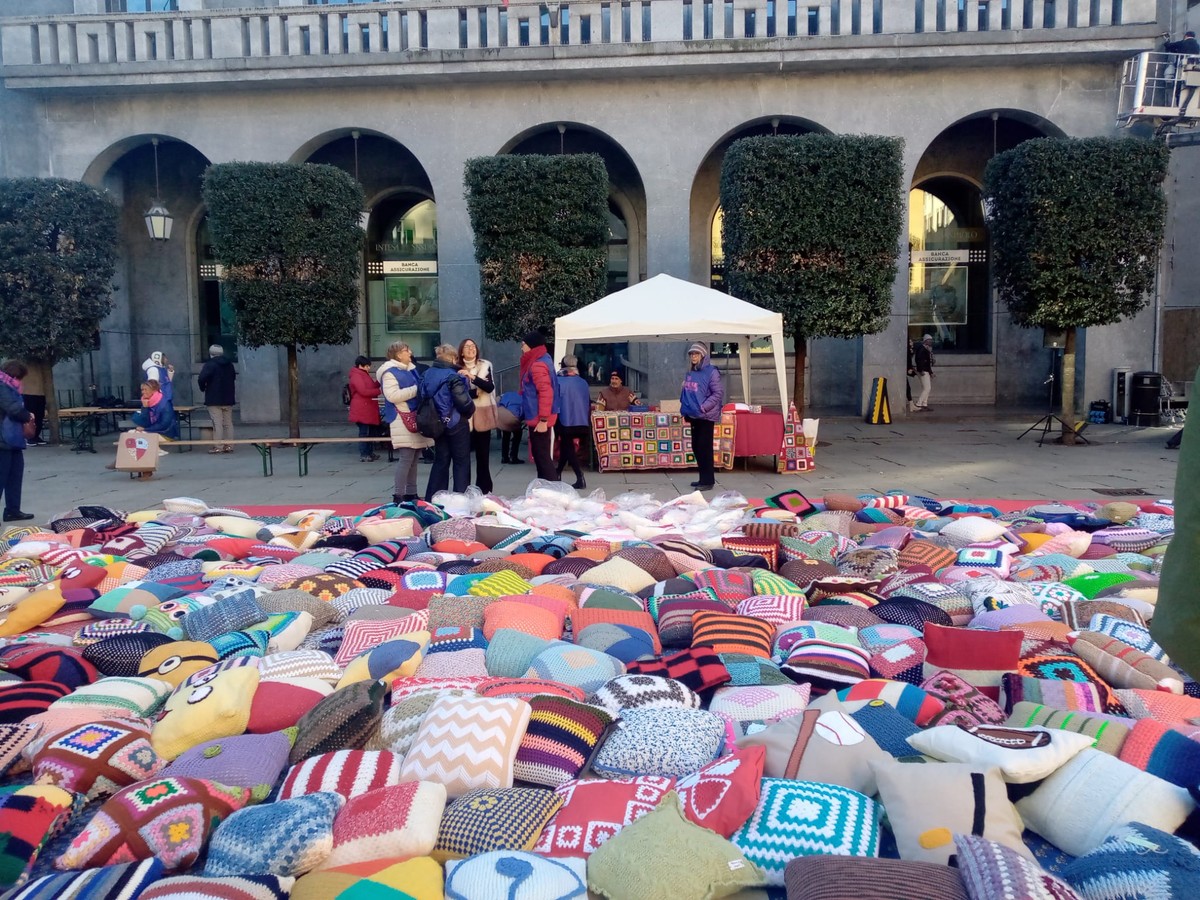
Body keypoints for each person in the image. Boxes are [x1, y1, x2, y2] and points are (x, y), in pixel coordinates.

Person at [377, 341, 432, 504]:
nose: (410, 352)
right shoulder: (389, 372)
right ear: (398, 354)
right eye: (407, 350)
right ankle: (399, 495)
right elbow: (392, 396)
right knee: (406, 457)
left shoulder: (409, 370)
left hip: (411, 416)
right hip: (402, 417)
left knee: (414, 457)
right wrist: (417, 389)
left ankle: (411, 492)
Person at [421, 343, 475, 500]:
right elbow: (464, 402)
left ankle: (435, 498)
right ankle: (461, 498)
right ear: (453, 358)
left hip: (435, 422)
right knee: (461, 461)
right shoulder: (454, 376)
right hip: (456, 422)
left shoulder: (426, 374)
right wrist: (470, 411)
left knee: (441, 460)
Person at [680, 341, 723, 491]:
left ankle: (708, 480)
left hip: (706, 416)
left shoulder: (712, 372)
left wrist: (704, 407)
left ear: (703, 355)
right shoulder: (691, 372)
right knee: (697, 447)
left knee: (705, 448)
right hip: (693, 415)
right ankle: (702, 478)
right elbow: (688, 392)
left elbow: (718, 393)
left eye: (696, 354)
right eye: (692, 354)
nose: (693, 356)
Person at [518, 331, 560, 482]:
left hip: (539, 417)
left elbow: (545, 392)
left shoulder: (537, 364)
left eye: (523, 345)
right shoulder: (543, 359)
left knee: (542, 457)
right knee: (540, 455)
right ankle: (544, 489)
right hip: (539, 415)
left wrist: (543, 419)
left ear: (531, 346)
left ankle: (553, 490)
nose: (522, 348)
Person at [458, 338, 497, 494]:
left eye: (473, 346)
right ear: (461, 351)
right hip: (463, 418)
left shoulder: (485, 365)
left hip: (482, 414)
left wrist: (472, 377)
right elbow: (458, 393)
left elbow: (489, 387)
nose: (471, 349)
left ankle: (485, 490)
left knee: (483, 457)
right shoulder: (456, 368)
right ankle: (465, 490)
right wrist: (476, 392)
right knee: (463, 458)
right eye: (467, 347)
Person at [0, 360, 36, 521]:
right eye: (20, 377)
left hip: (13, 439)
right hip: (3, 439)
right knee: (2, 477)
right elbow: (12, 407)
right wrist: (27, 415)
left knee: (15, 476)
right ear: (15, 374)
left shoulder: (9, 386)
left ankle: (13, 510)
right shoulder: (2, 386)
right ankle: (12, 510)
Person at [555, 355, 592, 490]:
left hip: (565, 419)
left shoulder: (558, 381)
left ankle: (579, 476)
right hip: (581, 420)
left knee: (567, 446)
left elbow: (555, 402)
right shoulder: (583, 382)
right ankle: (557, 473)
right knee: (566, 446)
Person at [197, 344, 236, 453]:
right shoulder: (229, 364)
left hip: (213, 398)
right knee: (228, 423)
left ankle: (218, 446)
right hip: (228, 397)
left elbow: (201, 378)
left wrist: (203, 388)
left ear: (211, 353)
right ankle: (229, 445)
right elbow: (233, 377)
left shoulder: (210, 365)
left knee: (217, 423)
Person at [347, 355, 382, 462]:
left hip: (366, 408)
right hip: (362, 408)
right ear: (360, 365)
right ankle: (364, 453)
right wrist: (379, 391)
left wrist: (379, 382)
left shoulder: (362, 374)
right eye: (367, 366)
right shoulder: (357, 376)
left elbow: (369, 387)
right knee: (364, 432)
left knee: (369, 432)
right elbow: (363, 391)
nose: (369, 368)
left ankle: (369, 453)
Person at [19, 362, 45, 446]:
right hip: (28, 392)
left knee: (39, 416)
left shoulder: (42, 360)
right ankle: (29, 437)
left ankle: (36, 436)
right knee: (30, 416)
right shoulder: (23, 359)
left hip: (41, 392)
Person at [497, 391, 525, 464]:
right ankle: (513, 457)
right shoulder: (523, 399)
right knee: (518, 434)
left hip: (500, 413)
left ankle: (504, 457)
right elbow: (523, 412)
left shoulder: (507, 394)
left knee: (506, 435)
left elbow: (497, 400)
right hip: (512, 415)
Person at [913, 334, 935, 412]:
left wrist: (930, 372)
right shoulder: (922, 348)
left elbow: (927, 362)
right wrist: (921, 370)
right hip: (923, 371)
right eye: (929, 340)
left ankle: (924, 404)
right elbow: (918, 360)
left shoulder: (926, 349)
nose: (931, 342)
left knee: (926, 388)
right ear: (926, 341)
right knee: (927, 388)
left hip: (925, 370)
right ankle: (919, 403)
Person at [906, 337, 917, 414]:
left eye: (912, 342)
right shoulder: (907, 351)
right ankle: (911, 405)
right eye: (910, 342)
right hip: (905, 370)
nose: (912, 344)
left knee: (908, 388)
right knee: (907, 388)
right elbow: (907, 361)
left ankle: (911, 405)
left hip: (906, 370)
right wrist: (908, 369)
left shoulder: (910, 351)